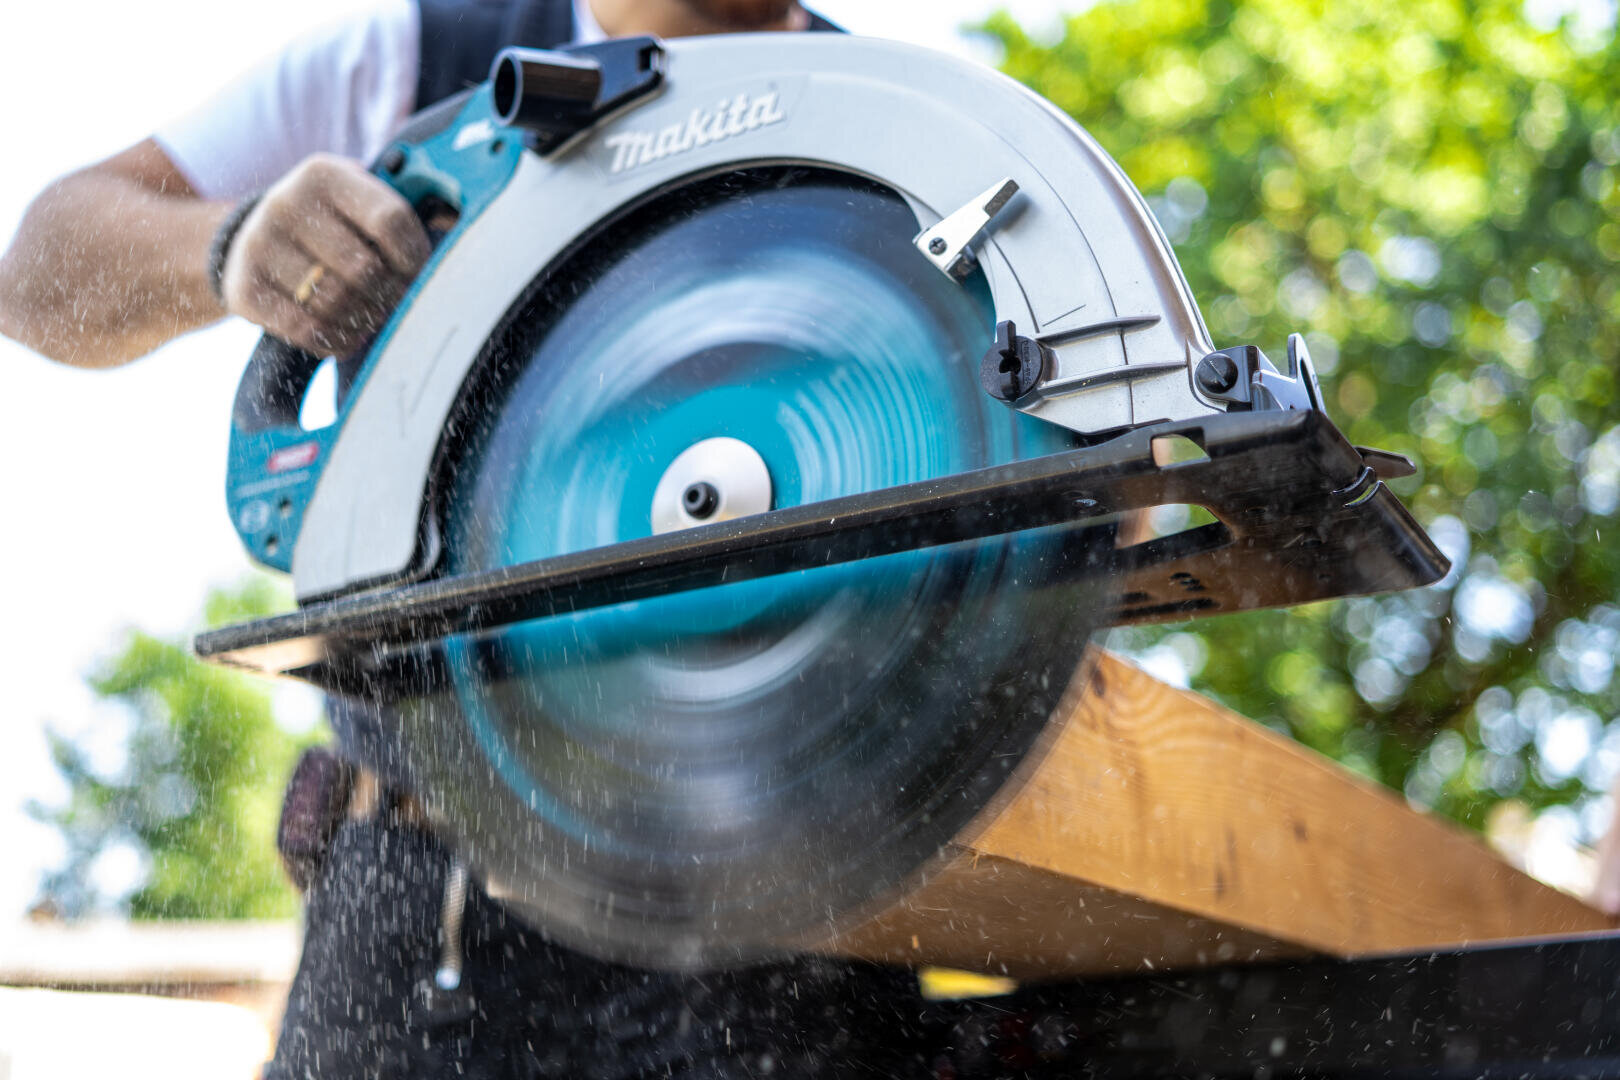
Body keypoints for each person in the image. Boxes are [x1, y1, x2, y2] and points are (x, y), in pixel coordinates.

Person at [0, 3, 938, 1077]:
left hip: (805, 905)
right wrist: (230, 243)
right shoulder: (418, 50)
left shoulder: (906, 125)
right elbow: (36, 271)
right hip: (428, 897)